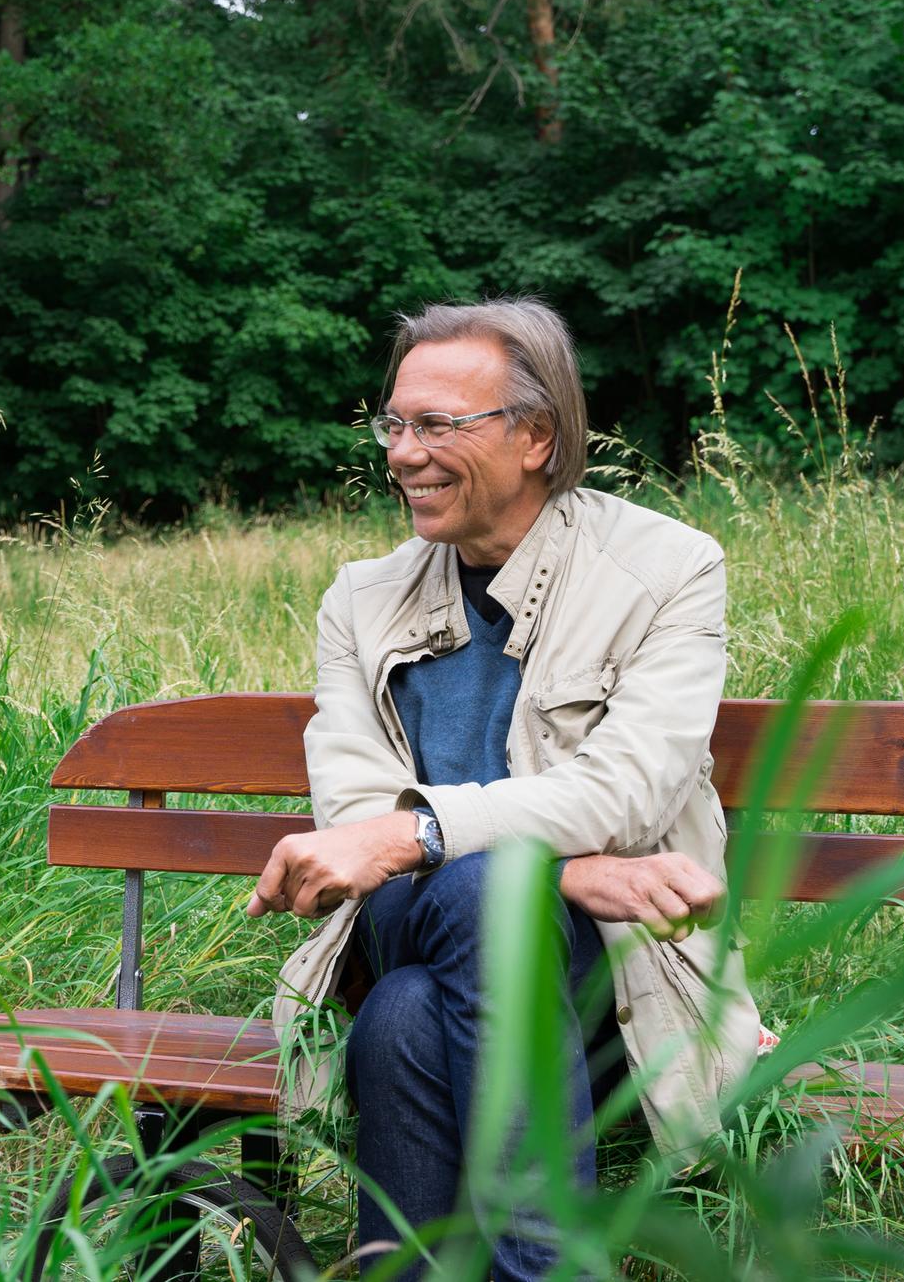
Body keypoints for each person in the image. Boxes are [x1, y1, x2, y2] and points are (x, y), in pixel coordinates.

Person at [248, 299, 761, 1278]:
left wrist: (427, 838)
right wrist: (560, 876)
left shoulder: (666, 571)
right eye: (393, 423)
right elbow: (358, 820)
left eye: (438, 425)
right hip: (421, 918)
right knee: (492, 898)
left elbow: (625, 790)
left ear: (536, 436)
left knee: (403, 1012)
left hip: (615, 990)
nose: (403, 453)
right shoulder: (361, 599)